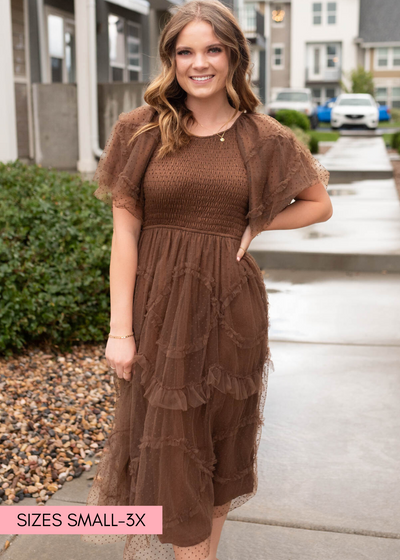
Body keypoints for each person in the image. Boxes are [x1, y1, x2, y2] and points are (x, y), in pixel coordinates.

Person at [81, 1, 332, 559]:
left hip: (230, 314)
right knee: (167, 451)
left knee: (214, 451)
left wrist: (260, 219)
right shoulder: (140, 130)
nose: (200, 63)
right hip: (156, 312)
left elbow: (319, 204)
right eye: (185, 51)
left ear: (234, 57)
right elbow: (125, 235)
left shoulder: (262, 137)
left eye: (213, 49)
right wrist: (119, 330)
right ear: (170, 59)